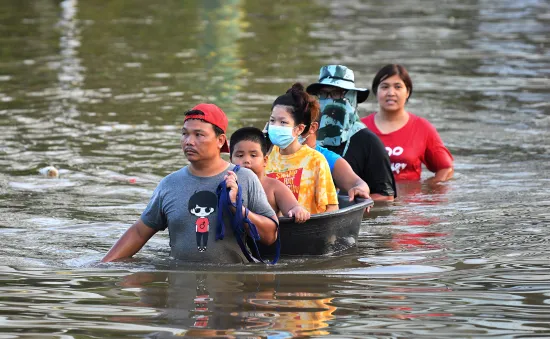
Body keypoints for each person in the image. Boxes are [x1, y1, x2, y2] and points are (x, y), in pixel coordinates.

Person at [102, 103, 278, 263]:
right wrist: (102, 265)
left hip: (232, 289)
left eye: (199, 135)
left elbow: (271, 236)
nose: (189, 141)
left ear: (220, 141)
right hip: (181, 287)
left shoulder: (244, 178)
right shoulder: (169, 184)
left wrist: (236, 208)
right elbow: (140, 232)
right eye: (185, 134)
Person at [306, 65, 396, 201]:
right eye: (324, 94)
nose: (330, 100)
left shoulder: (368, 141)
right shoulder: (308, 135)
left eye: (337, 93)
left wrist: (348, 201)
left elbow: (386, 196)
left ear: (352, 97)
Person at [362, 64, 453, 182]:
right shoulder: (360, 128)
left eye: (398, 87)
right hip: (370, 199)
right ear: (376, 91)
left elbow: (446, 169)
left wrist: (428, 189)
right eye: (384, 87)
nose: (391, 93)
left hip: (409, 200)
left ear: (408, 92)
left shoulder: (422, 128)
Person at [265, 83, 339, 214]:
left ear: (299, 129)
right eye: (272, 120)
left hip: (309, 229)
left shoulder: (316, 161)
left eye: (283, 122)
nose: (275, 126)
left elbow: (332, 208)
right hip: (274, 230)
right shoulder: (265, 157)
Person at [230, 127, 311, 223]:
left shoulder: (274, 186)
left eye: (253, 155)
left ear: (265, 161)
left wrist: (297, 210)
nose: (247, 160)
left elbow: (292, 207)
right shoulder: (226, 184)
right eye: (240, 156)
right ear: (230, 161)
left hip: (266, 235)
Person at [298, 113, 371, 202]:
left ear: (312, 127)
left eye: (283, 122)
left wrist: (360, 190)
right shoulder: (276, 154)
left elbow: (358, 184)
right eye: (275, 121)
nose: (277, 127)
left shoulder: (325, 158)